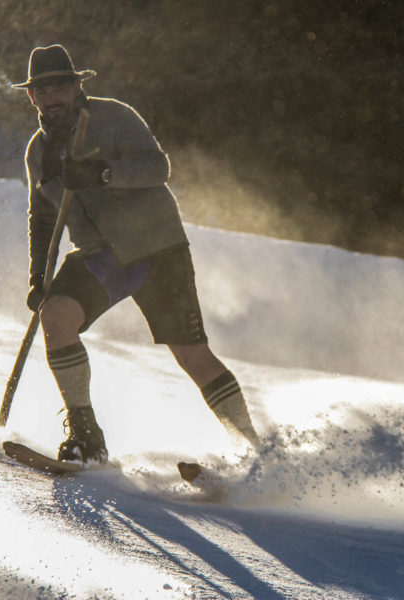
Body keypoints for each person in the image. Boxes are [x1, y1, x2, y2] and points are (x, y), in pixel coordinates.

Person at [15, 44, 259, 465]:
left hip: (156, 247)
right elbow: (41, 217)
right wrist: (39, 278)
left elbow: (158, 167)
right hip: (98, 255)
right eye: (43, 89)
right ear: (31, 96)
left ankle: (254, 450)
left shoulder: (113, 116)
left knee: (191, 355)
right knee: (55, 315)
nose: (52, 96)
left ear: (76, 87)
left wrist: (104, 172)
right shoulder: (39, 151)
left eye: (60, 86)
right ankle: (86, 439)